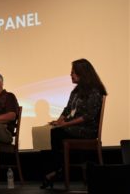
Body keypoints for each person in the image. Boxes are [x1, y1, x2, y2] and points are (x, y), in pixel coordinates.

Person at [40, 58, 107, 189]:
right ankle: (57, 170)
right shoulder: (76, 91)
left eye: (73, 72)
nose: (70, 75)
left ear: (82, 73)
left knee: (57, 133)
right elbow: (67, 109)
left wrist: (65, 125)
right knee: (50, 131)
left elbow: (88, 117)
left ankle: (57, 171)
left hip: (87, 129)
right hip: (74, 127)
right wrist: (59, 121)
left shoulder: (95, 91)